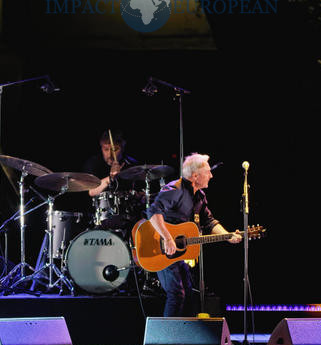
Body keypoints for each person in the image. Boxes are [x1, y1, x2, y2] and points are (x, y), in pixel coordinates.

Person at [146, 153, 241, 317]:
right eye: (208, 172)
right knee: (176, 294)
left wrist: (228, 235)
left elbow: (209, 221)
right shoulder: (175, 190)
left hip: (177, 253)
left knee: (189, 294)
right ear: (196, 176)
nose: (211, 175)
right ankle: (168, 333)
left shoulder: (199, 196)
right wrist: (168, 238)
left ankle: (183, 332)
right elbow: (153, 212)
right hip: (160, 248)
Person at [83, 130, 137, 197]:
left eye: (115, 150)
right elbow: (92, 192)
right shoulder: (93, 163)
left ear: (123, 148)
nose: (109, 155)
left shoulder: (131, 163)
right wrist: (111, 178)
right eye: (106, 149)